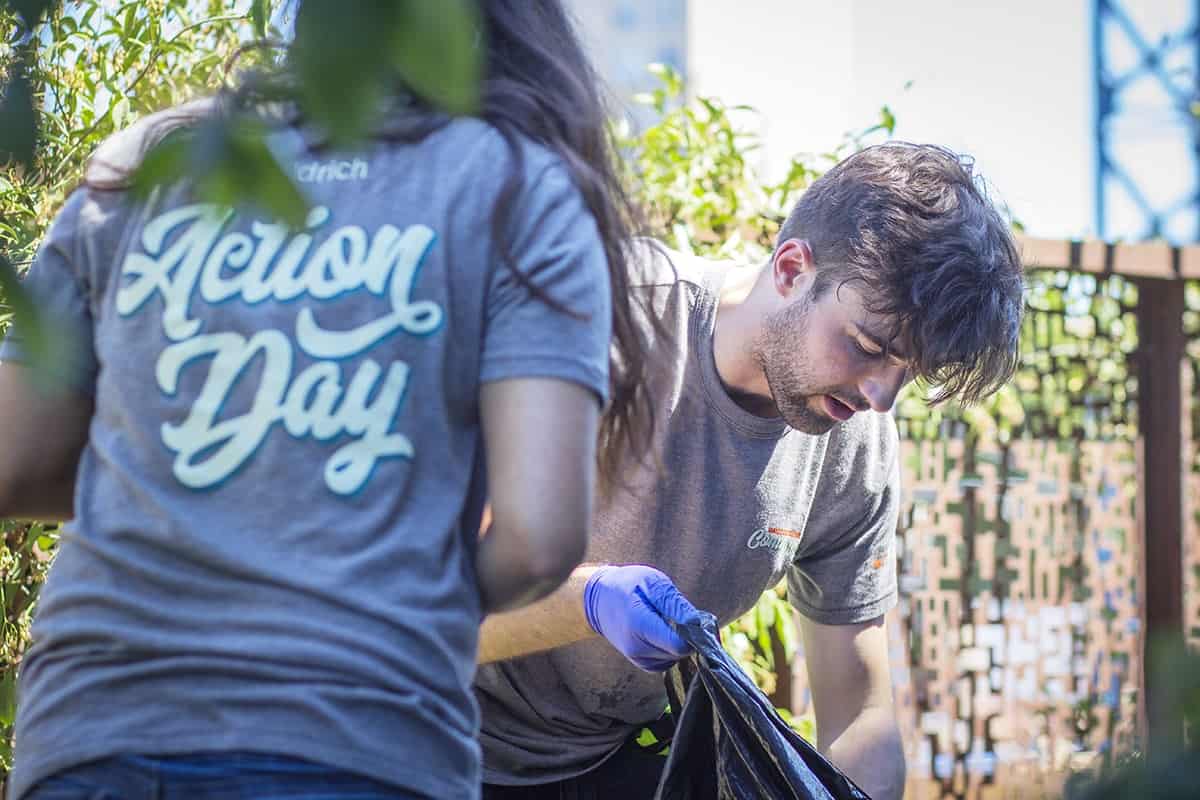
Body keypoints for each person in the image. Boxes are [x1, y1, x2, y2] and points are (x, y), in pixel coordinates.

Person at [0, 2, 657, 798]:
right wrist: (367, 587)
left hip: (94, 732)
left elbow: (14, 463)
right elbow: (537, 540)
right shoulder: (515, 187)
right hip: (359, 738)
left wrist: (210, 479)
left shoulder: (147, 160)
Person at [475, 142, 1025, 800]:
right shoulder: (601, 319)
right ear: (791, 268)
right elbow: (425, 604)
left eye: (908, 373)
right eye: (869, 347)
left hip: (613, 757)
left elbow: (859, 712)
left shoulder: (856, 438)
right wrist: (592, 603)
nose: (881, 396)